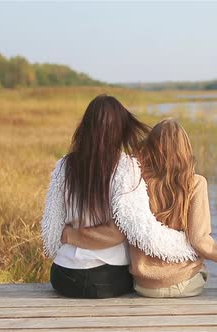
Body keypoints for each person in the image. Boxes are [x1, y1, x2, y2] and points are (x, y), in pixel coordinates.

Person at [41, 96, 198, 299]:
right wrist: (189, 247)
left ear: (85, 126)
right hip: (107, 278)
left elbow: (52, 232)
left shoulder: (64, 165)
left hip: (62, 276)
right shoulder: (126, 167)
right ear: (120, 129)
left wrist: (70, 235)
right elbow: (136, 231)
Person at [63, 119, 217, 298]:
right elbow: (200, 240)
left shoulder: (137, 181)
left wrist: (69, 234)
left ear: (151, 147)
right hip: (184, 283)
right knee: (202, 270)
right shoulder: (196, 183)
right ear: (186, 149)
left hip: (144, 286)